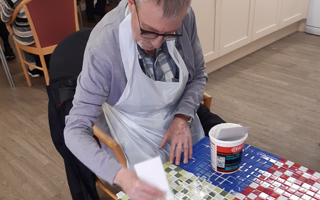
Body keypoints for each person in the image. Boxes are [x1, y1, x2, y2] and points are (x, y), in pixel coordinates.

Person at [64, 0, 212, 199]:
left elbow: (198, 75)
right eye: (148, 30)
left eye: (170, 33)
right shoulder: (104, 46)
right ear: (131, 4)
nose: (158, 43)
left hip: (181, 127)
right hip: (132, 135)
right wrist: (121, 176)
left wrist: (183, 116)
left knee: (205, 190)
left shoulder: (185, 17)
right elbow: (75, 129)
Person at [1, 0, 42, 77]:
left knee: (23, 31)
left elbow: (5, 17)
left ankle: (32, 67)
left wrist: (7, 24)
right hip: (55, 30)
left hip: (29, 35)